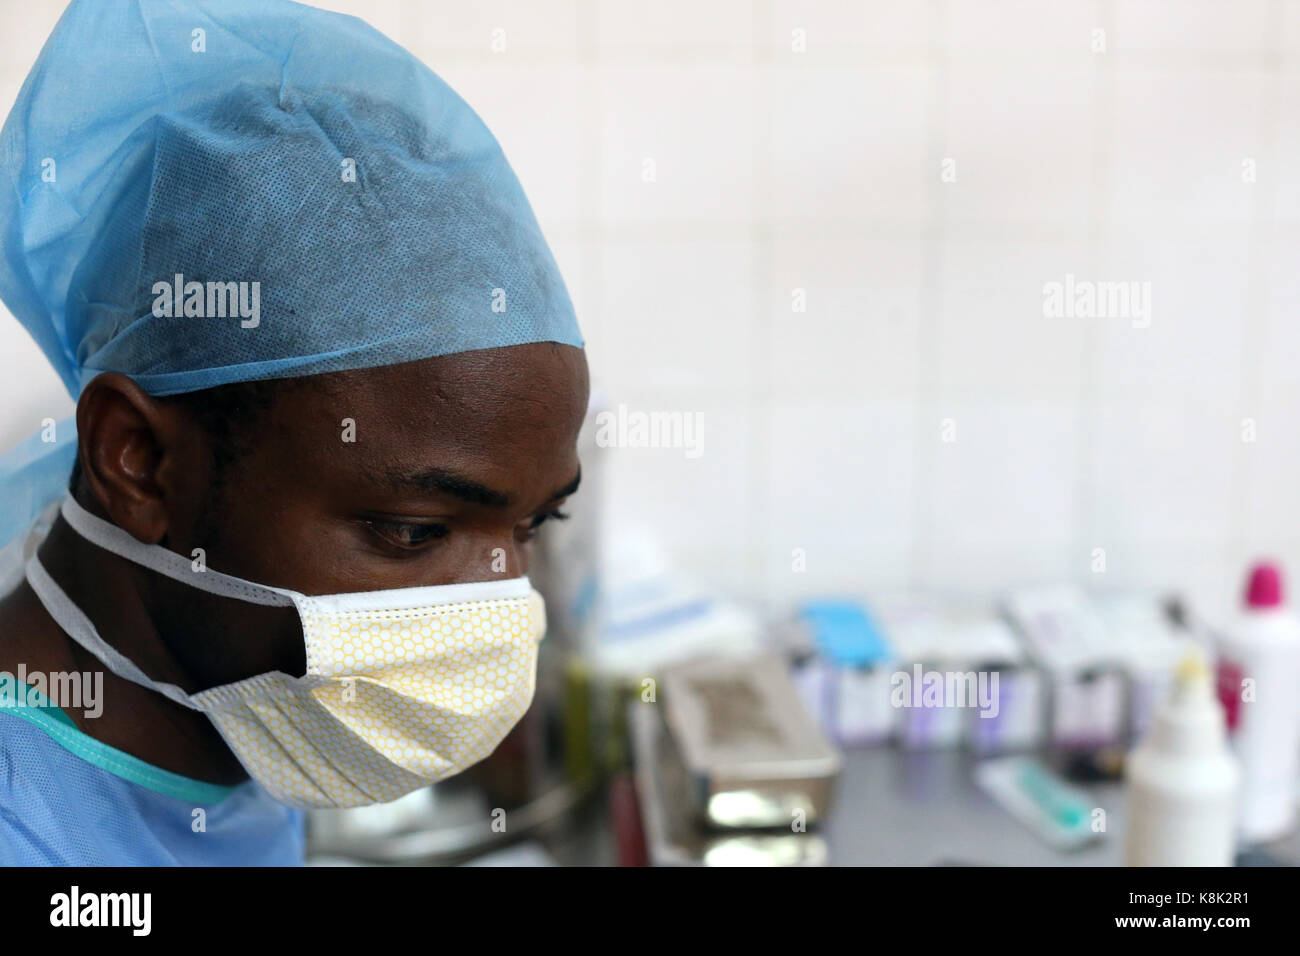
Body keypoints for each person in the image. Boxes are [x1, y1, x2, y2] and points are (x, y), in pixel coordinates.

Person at [0, 0, 586, 865]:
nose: (495, 604)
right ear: (141, 462)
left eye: (537, 523)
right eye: (414, 531)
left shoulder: (242, 729)